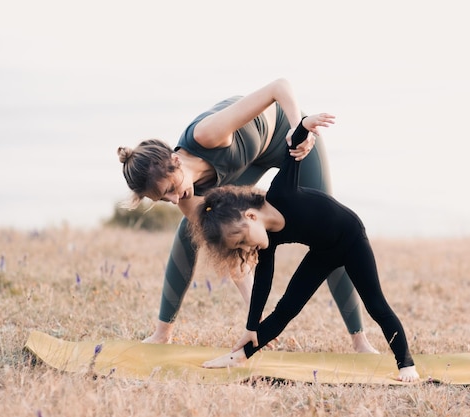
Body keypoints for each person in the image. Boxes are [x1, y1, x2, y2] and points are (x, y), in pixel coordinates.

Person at [117, 78, 377, 353]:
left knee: (329, 234)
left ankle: (360, 340)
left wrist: (298, 129)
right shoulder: (186, 199)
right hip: (246, 165)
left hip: (282, 136)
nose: (173, 199)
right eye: (162, 200)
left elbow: (279, 87)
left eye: (170, 188)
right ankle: (162, 333)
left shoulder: (208, 134)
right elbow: (232, 249)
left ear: (176, 160)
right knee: (188, 234)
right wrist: (256, 318)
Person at [191, 113, 420, 382]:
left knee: (375, 305)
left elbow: (292, 151)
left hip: (351, 238)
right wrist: (251, 327)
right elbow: (263, 283)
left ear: (250, 216)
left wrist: (304, 125)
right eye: (240, 246)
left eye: (242, 239)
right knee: (286, 309)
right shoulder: (268, 241)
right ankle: (240, 355)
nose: (247, 246)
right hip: (323, 252)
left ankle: (406, 365)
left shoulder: (281, 193)